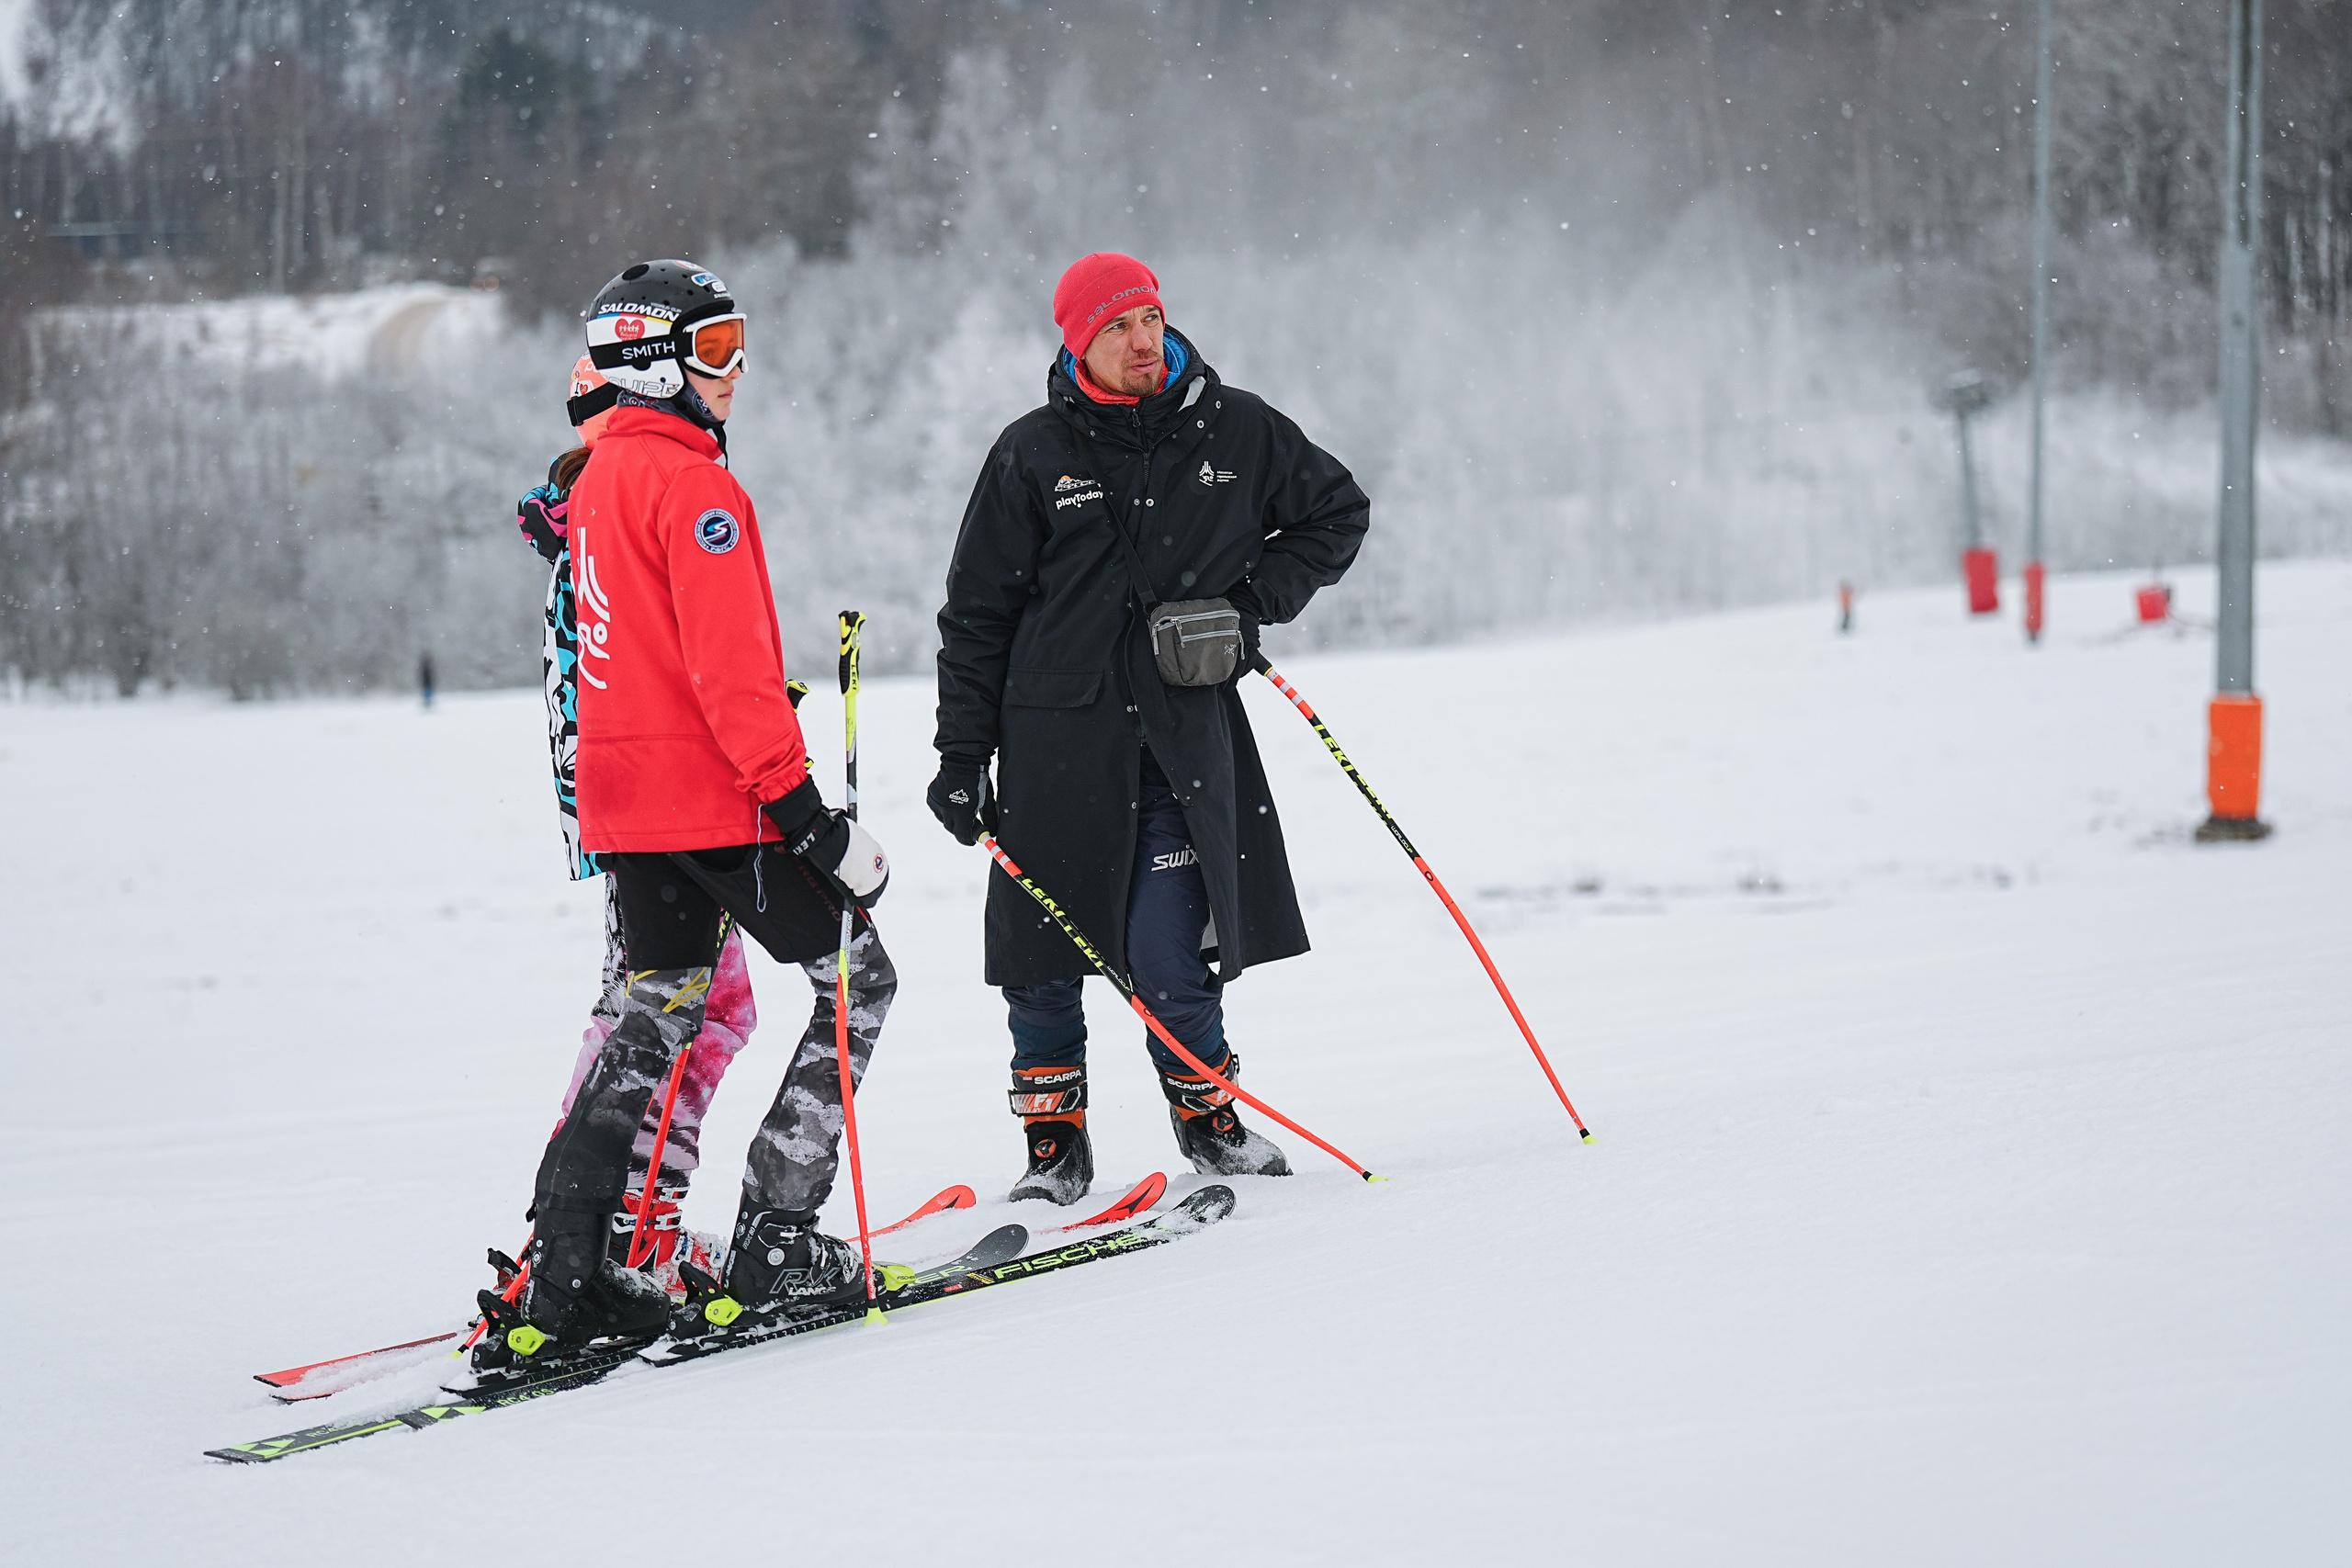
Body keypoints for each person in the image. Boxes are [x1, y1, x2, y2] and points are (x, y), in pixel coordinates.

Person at [501, 259, 896, 1358]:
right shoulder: (697, 488)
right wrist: (811, 821)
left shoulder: (591, 486)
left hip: (625, 807)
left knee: (654, 1013)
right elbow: (729, 678)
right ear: (652, 361)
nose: (735, 371)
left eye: (736, 344)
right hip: (723, 803)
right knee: (858, 981)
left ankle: (574, 1269)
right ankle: (778, 1236)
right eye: (714, 348)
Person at [929, 252, 1369, 1204]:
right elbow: (975, 617)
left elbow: (1336, 513)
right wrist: (960, 757)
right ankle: (1054, 1146)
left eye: (1152, 319)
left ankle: (1208, 1122)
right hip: (1051, 740)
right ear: (1078, 339)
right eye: (1119, 325)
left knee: (1171, 951)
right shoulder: (1030, 452)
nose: (1142, 339)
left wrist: (1246, 607)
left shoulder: (1233, 426)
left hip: (1180, 735)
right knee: (1044, 956)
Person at [511, 355, 767, 1299]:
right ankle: (620, 1226)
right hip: (659, 805)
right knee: (679, 1009)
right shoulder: (613, 505)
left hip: (632, 798)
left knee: (658, 1006)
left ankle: (589, 1228)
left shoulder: (590, 509)